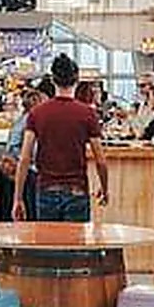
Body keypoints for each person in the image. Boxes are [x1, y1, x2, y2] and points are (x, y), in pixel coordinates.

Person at [13, 53, 107, 222]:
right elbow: (100, 160)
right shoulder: (88, 114)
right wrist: (105, 188)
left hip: (46, 189)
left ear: (52, 80)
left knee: (48, 238)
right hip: (77, 190)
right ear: (76, 80)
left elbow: (25, 158)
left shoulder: (36, 113)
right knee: (76, 239)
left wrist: (18, 198)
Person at [0, 87, 45, 222]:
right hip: (25, 171)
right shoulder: (31, 121)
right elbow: (28, 150)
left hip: (13, 169)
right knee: (30, 211)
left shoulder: (21, 119)